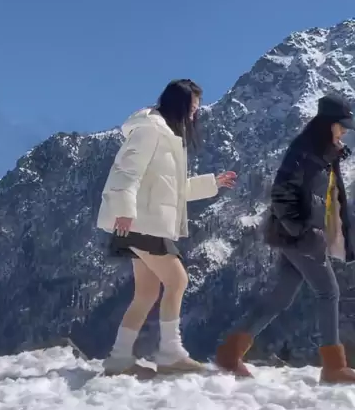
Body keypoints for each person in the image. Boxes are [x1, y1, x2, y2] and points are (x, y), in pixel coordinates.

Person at [97, 79, 237, 375]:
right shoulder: (150, 130)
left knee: (146, 293)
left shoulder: (168, 135)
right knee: (177, 281)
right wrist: (124, 210)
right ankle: (171, 352)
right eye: (193, 106)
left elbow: (172, 189)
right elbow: (126, 172)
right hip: (141, 222)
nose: (195, 112)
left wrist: (212, 183)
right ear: (178, 103)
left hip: (146, 222)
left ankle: (119, 358)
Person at [215, 92, 355, 384]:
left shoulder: (318, 151)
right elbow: (281, 192)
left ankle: (230, 353)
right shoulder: (303, 152)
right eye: (341, 126)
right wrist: (301, 231)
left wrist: (334, 156)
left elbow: (322, 192)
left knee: (280, 297)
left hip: (298, 236)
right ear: (327, 124)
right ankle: (333, 367)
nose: (344, 131)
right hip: (301, 237)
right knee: (328, 292)